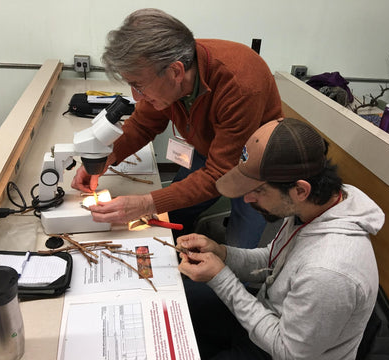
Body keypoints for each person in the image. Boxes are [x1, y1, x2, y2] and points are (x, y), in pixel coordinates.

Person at [71, 8, 283, 248]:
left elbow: (219, 173)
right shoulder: (161, 66)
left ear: (176, 72)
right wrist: (106, 158)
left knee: (240, 251)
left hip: (256, 166)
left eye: (139, 86)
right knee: (172, 218)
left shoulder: (239, 83)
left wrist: (145, 203)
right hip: (208, 151)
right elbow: (142, 124)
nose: (136, 97)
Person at [177, 118, 385, 359]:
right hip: (269, 317)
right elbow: (273, 260)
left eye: (259, 191)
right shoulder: (312, 206)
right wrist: (221, 252)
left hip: (280, 350)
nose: (247, 199)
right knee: (180, 301)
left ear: (300, 190)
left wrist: (221, 278)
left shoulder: (329, 271)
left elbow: (288, 351)